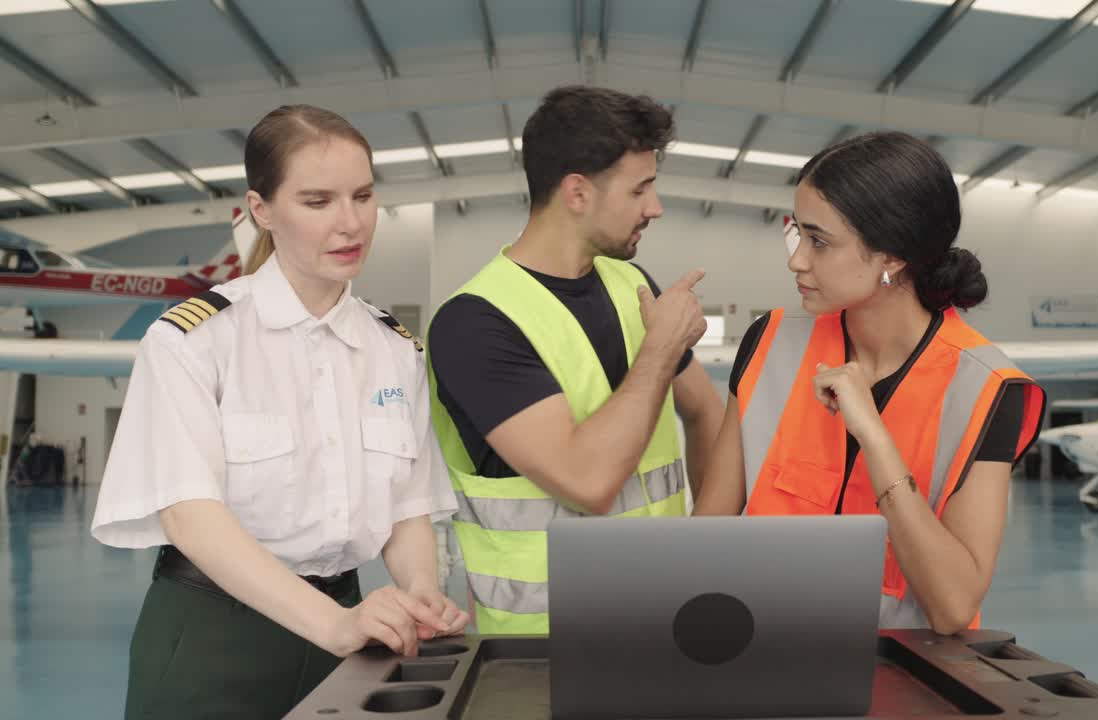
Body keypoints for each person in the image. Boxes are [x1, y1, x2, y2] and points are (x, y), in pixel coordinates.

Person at [90, 104, 469, 720]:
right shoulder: (194, 340)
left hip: (350, 634)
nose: (351, 223)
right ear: (261, 210)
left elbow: (407, 509)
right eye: (317, 202)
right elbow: (191, 516)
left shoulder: (394, 348)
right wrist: (336, 626)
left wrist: (421, 595)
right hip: (214, 634)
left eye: (364, 196)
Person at [693, 131, 1046, 634]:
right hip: (761, 660)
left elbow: (953, 607)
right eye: (796, 234)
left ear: (893, 258)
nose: (796, 260)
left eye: (819, 241)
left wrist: (876, 440)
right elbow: (707, 538)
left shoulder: (987, 387)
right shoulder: (769, 342)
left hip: (904, 685)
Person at [427, 85, 724, 634]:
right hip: (542, 649)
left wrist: (704, 543)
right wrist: (660, 349)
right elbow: (587, 480)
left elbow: (709, 414)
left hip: (669, 620)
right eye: (640, 190)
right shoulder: (474, 323)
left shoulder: (632, 283)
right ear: (578, 192)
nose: (654, 208)